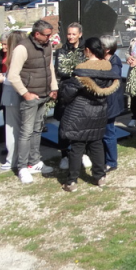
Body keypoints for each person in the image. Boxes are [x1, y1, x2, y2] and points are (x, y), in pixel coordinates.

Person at [59, 37, 120, 191]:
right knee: (96, 143)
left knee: (77, 146)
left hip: (80, 112)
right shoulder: (108, 68)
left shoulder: (81, 70)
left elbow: (68, 94)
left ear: (87, 50)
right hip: (99, 111)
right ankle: (99, 177)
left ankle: (72, 181)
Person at [8, 19, 59, 184]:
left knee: (37, 130)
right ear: (37, 34)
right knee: (27, 131)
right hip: (30, 96)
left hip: (45, 94)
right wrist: (25, 94)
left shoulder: (47, 45)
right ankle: (22, 167)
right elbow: (12, 75)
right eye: (47, 35)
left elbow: (50, 67)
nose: (49, 38)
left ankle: (34, 161)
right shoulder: (22, 48)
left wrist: (54, 87)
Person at [54, 22, 84, 170]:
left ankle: (82, 152)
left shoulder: (84, 50)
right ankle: (64, 155)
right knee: (64, 124)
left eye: (74, 34)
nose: (71, 37)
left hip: (82, 90)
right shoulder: (61, 51)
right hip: (66, 90)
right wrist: (75, 72)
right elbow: (60, 70)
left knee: (81, 122)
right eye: (69, 34)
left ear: (80, 35)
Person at [100, 34, 127, 173]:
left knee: (109, 132)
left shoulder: (114, 63)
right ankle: (103, 158)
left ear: (107, 49)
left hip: (110, 103)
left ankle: (111, 161)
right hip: (104, 102)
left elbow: (111, 78)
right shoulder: (103, 60)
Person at [0, 32, 22, 172]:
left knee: (14, 128)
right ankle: (12, 157)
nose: (3, 47)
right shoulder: (5, 55)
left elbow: (16, 76)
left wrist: (4, 79)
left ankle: (15, 158)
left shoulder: (17, 55)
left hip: (15, 92)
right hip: (10, 94)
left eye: (6, 44)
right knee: (12, 127)